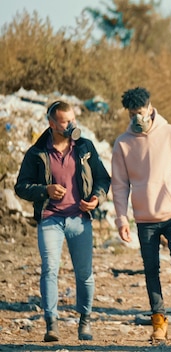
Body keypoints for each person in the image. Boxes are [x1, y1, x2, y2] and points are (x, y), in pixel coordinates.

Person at [14, 100, 110, 342]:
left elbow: (103, 178)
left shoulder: (85, 147)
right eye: (66, 122)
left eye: (73, 120)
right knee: (49, 269)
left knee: (85, 274)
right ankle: (51, 324)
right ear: (52, 123)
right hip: (50, 218)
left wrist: (97, 198)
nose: (71, 125)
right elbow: (21, 186)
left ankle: (85, 322)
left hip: (80, 218)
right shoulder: (37, 152)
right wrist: (44, 190)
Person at [111, 87, 171, 342]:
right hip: (144, 219)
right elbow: (120, 184)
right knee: (150, 269)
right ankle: (158, 319)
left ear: (150, 106)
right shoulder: (123, 143)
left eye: (141, 112)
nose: (137, 117)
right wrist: (121, 218)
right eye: (132, 113)